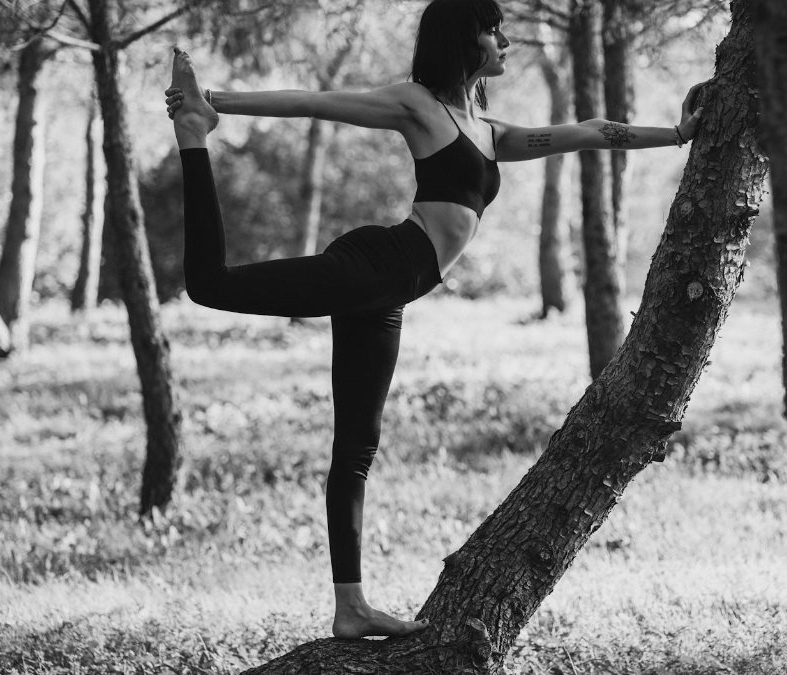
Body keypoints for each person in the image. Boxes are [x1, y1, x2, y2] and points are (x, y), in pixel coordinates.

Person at [165, 0, 703, 640]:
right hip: (376, 266)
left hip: (386, 293)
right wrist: (215, 102)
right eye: (493, 30)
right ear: (462, 40)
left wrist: (676, 134)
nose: (505, 40)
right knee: (210, 285)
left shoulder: (489, 132)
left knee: (357, 448)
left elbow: (590, 131)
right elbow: (316, 101)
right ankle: (193, 132)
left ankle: (350, 608)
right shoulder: (418, 105)